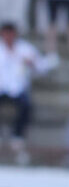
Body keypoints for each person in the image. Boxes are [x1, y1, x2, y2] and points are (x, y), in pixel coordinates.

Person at [0, 22, 54, 164]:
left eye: (11, 33)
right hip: (2, 88)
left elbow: (43, 68)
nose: (8, 37)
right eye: (6, 34)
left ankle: (17, 136)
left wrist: (33, 64)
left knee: (26, 105)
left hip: (18, 89)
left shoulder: (26, 49)